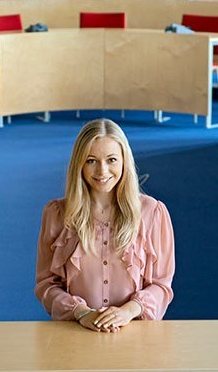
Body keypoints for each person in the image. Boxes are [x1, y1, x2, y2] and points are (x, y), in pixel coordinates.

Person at [34, 119, 175, 332]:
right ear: (79, 164)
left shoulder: (153, 213)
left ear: (124, 162)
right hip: (76, 332)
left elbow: (162, 285)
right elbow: (46, 284)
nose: (102, 171)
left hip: (135, 334)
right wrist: (81, 313)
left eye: (111, 160)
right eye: (91, 160)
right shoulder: (56, 214)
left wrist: (129, 310)